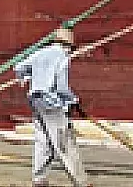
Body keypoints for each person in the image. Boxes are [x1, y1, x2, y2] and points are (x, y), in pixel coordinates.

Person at [17, 27, 92, 187]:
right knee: (64, 142)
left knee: (43, 141)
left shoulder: (41, 52)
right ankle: (81, 182)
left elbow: (19, 67)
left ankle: (39, 179)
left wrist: (26, 78)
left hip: (36, 101)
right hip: (51, 103)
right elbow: (62, 87)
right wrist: (73, 100)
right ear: (68, 45)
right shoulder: (62, 56)